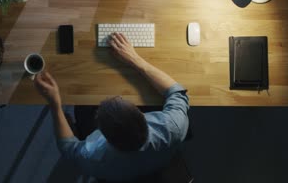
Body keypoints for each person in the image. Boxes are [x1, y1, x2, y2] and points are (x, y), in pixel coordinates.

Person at [34, 32, 190, 182]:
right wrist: (134, 58)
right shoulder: (173, 127)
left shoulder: (92, 158)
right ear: (141, 114)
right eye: (122, 101)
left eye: (100, 111)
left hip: (120, 170)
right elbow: (177, 93)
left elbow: (68, 148)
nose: (115, 96)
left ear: (103, 135)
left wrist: (55, 104)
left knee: (83, 107)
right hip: (157, 162)